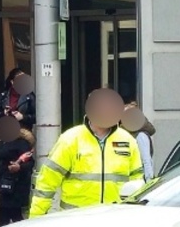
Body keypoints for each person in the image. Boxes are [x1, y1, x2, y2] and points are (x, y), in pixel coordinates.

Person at [30, 88, 143, 217]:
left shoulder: (127, 140)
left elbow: (137, 182)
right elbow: (47, 183)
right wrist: (35, 218)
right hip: (75, 219)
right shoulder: (70, 139)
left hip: (114, 218)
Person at [0, 115, 34, 226]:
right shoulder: (3, 141)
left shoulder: (21, 143)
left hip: (15, 184)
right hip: (4, 182)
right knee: (9, 215)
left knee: (10, 215)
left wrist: (19, 167)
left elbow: (30, 163)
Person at [0, 69, 36, 137]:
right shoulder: (4, 95)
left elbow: (37, 117)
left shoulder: (29, 96)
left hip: (23, 134)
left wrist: (23, 117)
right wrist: (4, 113)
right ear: (12, 82)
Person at [123, 101, 157, 180]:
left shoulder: (140, 136)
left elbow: (146, 160)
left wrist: (149, 180)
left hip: (139, 179)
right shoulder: (128, 133)